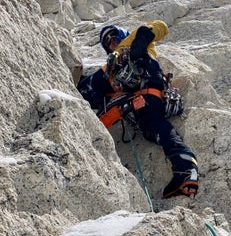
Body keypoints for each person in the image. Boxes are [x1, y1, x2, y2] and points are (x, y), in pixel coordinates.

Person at [77, 20, 199, 198]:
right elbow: (85, 88)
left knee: (156, 124)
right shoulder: (109, 68)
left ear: (122, 34)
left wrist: (143, 36)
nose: (112, 42)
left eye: (114, 36)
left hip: (149, 87)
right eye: (108, 42)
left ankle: (186, 168)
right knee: (152, 129)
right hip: (136, 101)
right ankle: (186, 169)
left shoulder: (133, 41)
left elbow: (161, 26)